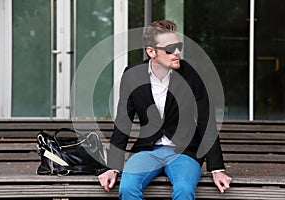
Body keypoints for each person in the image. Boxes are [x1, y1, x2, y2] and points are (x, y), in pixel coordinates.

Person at [98, 19, 232, 200]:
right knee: (128, 188)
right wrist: (112, 167)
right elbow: (123, 121)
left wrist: (216, 168)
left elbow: (205, 120)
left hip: (184, 152)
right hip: (146, 150)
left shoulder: (190, 74)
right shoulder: (132, 75)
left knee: (184, 190)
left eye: (179, 46)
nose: (177, 52)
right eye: (170, 49)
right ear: (151, 51)